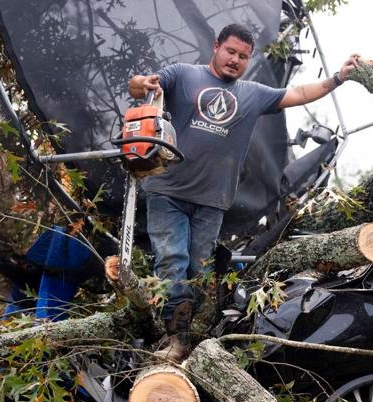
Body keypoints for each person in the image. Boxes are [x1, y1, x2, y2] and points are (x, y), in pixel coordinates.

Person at [128, 23, 359, 361]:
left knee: (198, 269)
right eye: (230, 51)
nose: (235, 60)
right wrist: (140, 83)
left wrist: (337, 77)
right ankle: (173, 340)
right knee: (171, 259)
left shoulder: (252, 93)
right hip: (168, 190)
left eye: (243, 56)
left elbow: (299, 94)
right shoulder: (182, 74)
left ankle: (193, 335)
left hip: (212, 200)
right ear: (216, 47)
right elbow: (141, 87)